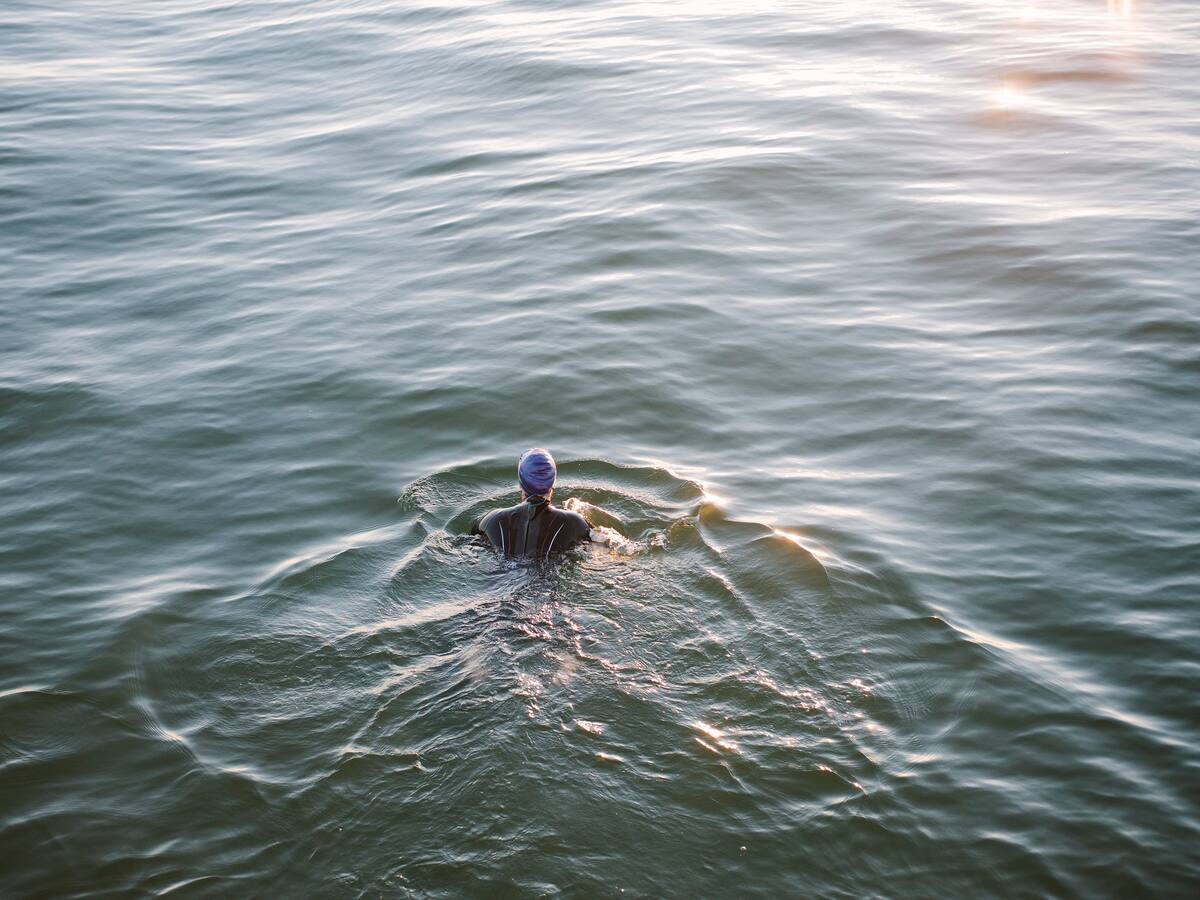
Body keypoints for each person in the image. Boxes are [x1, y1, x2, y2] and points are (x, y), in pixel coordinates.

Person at [475, 448, 591, 557]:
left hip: (499, 576)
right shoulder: (575, 523)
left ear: (521, 484)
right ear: (552, 483)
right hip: (548, 577)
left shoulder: (491, 520)